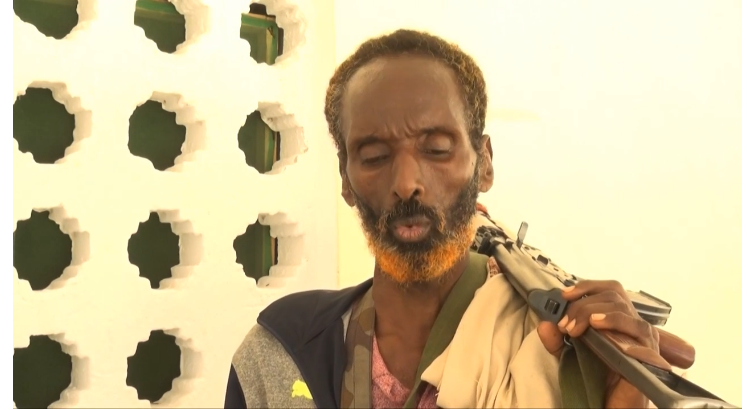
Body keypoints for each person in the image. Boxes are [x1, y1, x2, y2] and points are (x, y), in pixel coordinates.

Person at [224, 29, 657, 409]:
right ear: (345, 179)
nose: (406, 183)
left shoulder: (560, 352)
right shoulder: (281, 354)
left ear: (484, 164)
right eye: (374, 156)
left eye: (436, 149)